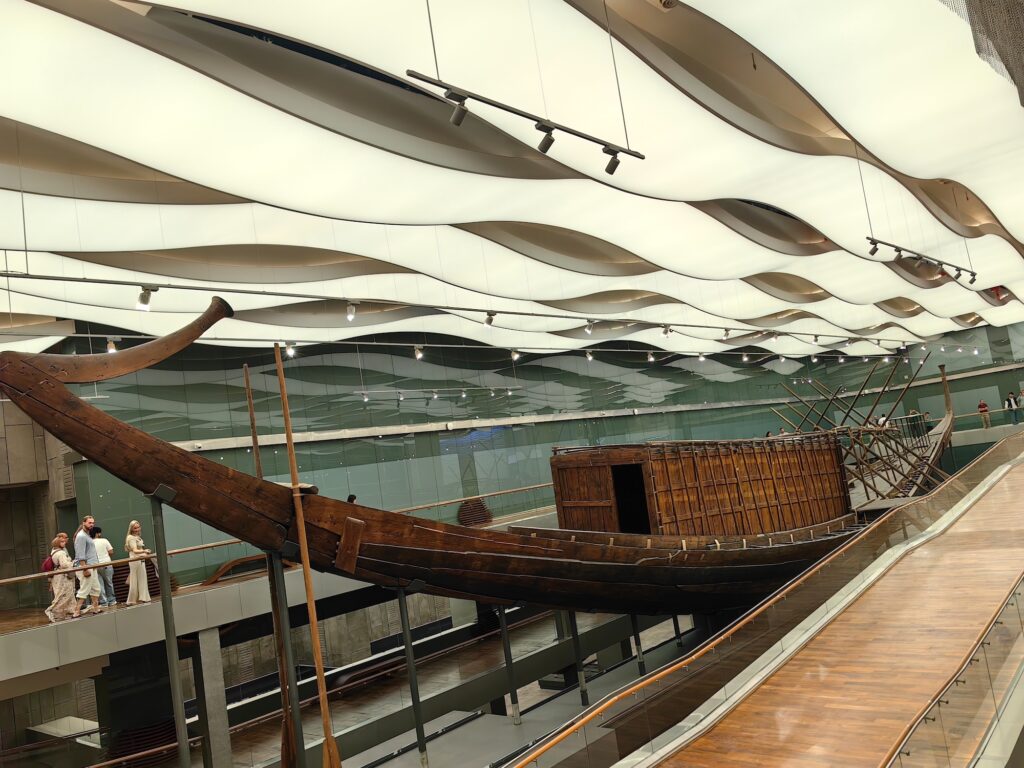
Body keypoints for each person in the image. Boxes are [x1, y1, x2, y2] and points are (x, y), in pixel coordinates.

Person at [72, 516, 102, 617]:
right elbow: (80, 554)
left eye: (93, 522)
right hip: (85, 566)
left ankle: (95, 608)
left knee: (95, 588)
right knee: (85, 588)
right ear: (84, 523)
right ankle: (76, 611)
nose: (92, 524)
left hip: (91, 565)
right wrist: (84, 568)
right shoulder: (81, 536)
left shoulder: (87, 535)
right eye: (89, 523)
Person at [44, 533, 76, 622]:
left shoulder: (53, 551)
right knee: (64, 595)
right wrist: (73, 563)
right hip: (63, 577)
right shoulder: (61, 553)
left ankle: (66, 613)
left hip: (57, 576)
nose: (64, 542)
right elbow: (64, 565)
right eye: (62, 542)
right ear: (58, 543)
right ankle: (53, 611)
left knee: (61, 594)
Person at [125, 520, 152, 605]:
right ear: (131, 529)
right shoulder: (131, 537)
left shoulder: (136, 537)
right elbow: (135, 550)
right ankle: (132, 600)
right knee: (134, 580)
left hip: (140, 559)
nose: (137, 529)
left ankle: (143, 597)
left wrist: (144, 552)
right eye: (135, 528)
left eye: (138, 527)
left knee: (142, 579)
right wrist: (145, 551)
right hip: (135, 560)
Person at [91, 526, 116, 607]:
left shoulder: (90, 542)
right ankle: (112, 600)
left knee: (100, 584)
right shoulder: (104, 540)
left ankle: (103, 602)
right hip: (106, 564)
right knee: (109, 583)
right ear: (97, 533)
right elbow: (111, 551)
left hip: (95, 565)